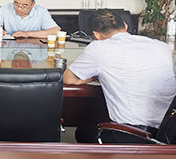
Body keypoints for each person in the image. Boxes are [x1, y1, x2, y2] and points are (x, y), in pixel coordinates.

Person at [63, 9, 176, 143]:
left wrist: (95, 76)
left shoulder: (98, 48)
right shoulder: (161, 46)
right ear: (125, 26)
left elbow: (68, 78)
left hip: (132, 135)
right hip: (169, 131)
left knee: (83, 131)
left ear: (96, 35)